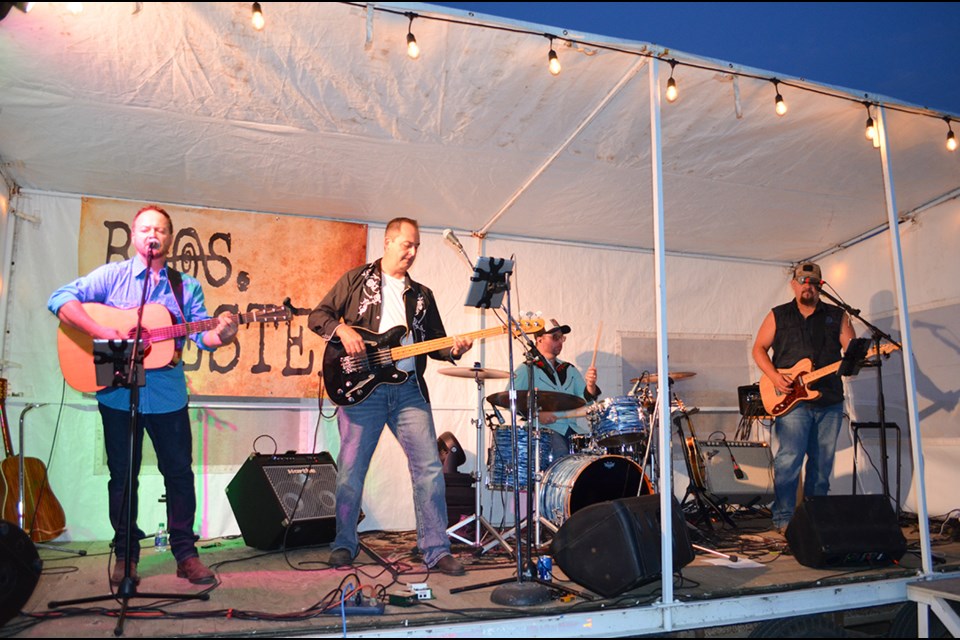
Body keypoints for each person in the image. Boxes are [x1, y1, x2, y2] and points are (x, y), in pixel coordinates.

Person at [48, 205, 238, 586]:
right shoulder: (112, 276)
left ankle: (185, 553)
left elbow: (203, 336)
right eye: (146, 229)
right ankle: (126, 556)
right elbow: (60, 298)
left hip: (168, 392)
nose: (154, 235)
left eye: (161, 230)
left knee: (179, 474)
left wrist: (225, 334)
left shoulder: (186, 286)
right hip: (118, 392)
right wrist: (103, 329)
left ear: (170, 239)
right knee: (122, 476)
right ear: (134, 237)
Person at [307, 217, 472, 576]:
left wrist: (455, 348)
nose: (412, 252)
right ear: (388, 242)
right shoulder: (355, 280)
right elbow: (317, 315)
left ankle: (436, 549)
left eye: (416, 247)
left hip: (409, 390)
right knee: (351, 471)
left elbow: (437, 342)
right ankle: (344, 544)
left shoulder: (422, 295)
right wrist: (341, 328)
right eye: (406, 244)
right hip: (363, 390)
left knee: (429, 470)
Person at [752, 262, 855, 534]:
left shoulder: (837, 315)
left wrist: (862, 355)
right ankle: (784, 520)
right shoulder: (779, 315)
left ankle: (816, 519)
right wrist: (775, 377)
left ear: (820, 285)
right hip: (791, 400)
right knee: (789, 460)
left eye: (813, 282)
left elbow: (852, 351)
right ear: (793, 284)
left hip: (829, 399)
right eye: (802, 281)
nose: (807, 286)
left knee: (822, 465)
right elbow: (759, 349)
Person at [512, 319, 601, 461]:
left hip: (572, 431)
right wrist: (536, 414)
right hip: (542, 432)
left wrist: (591, 386)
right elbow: (511, 399)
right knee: (561, 452)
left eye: (562, 338)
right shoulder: (526, 369)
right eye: (555, 337)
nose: (560, 342)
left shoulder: (569, 369)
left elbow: (587, 403)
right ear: (539, 339)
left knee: (595, 455)